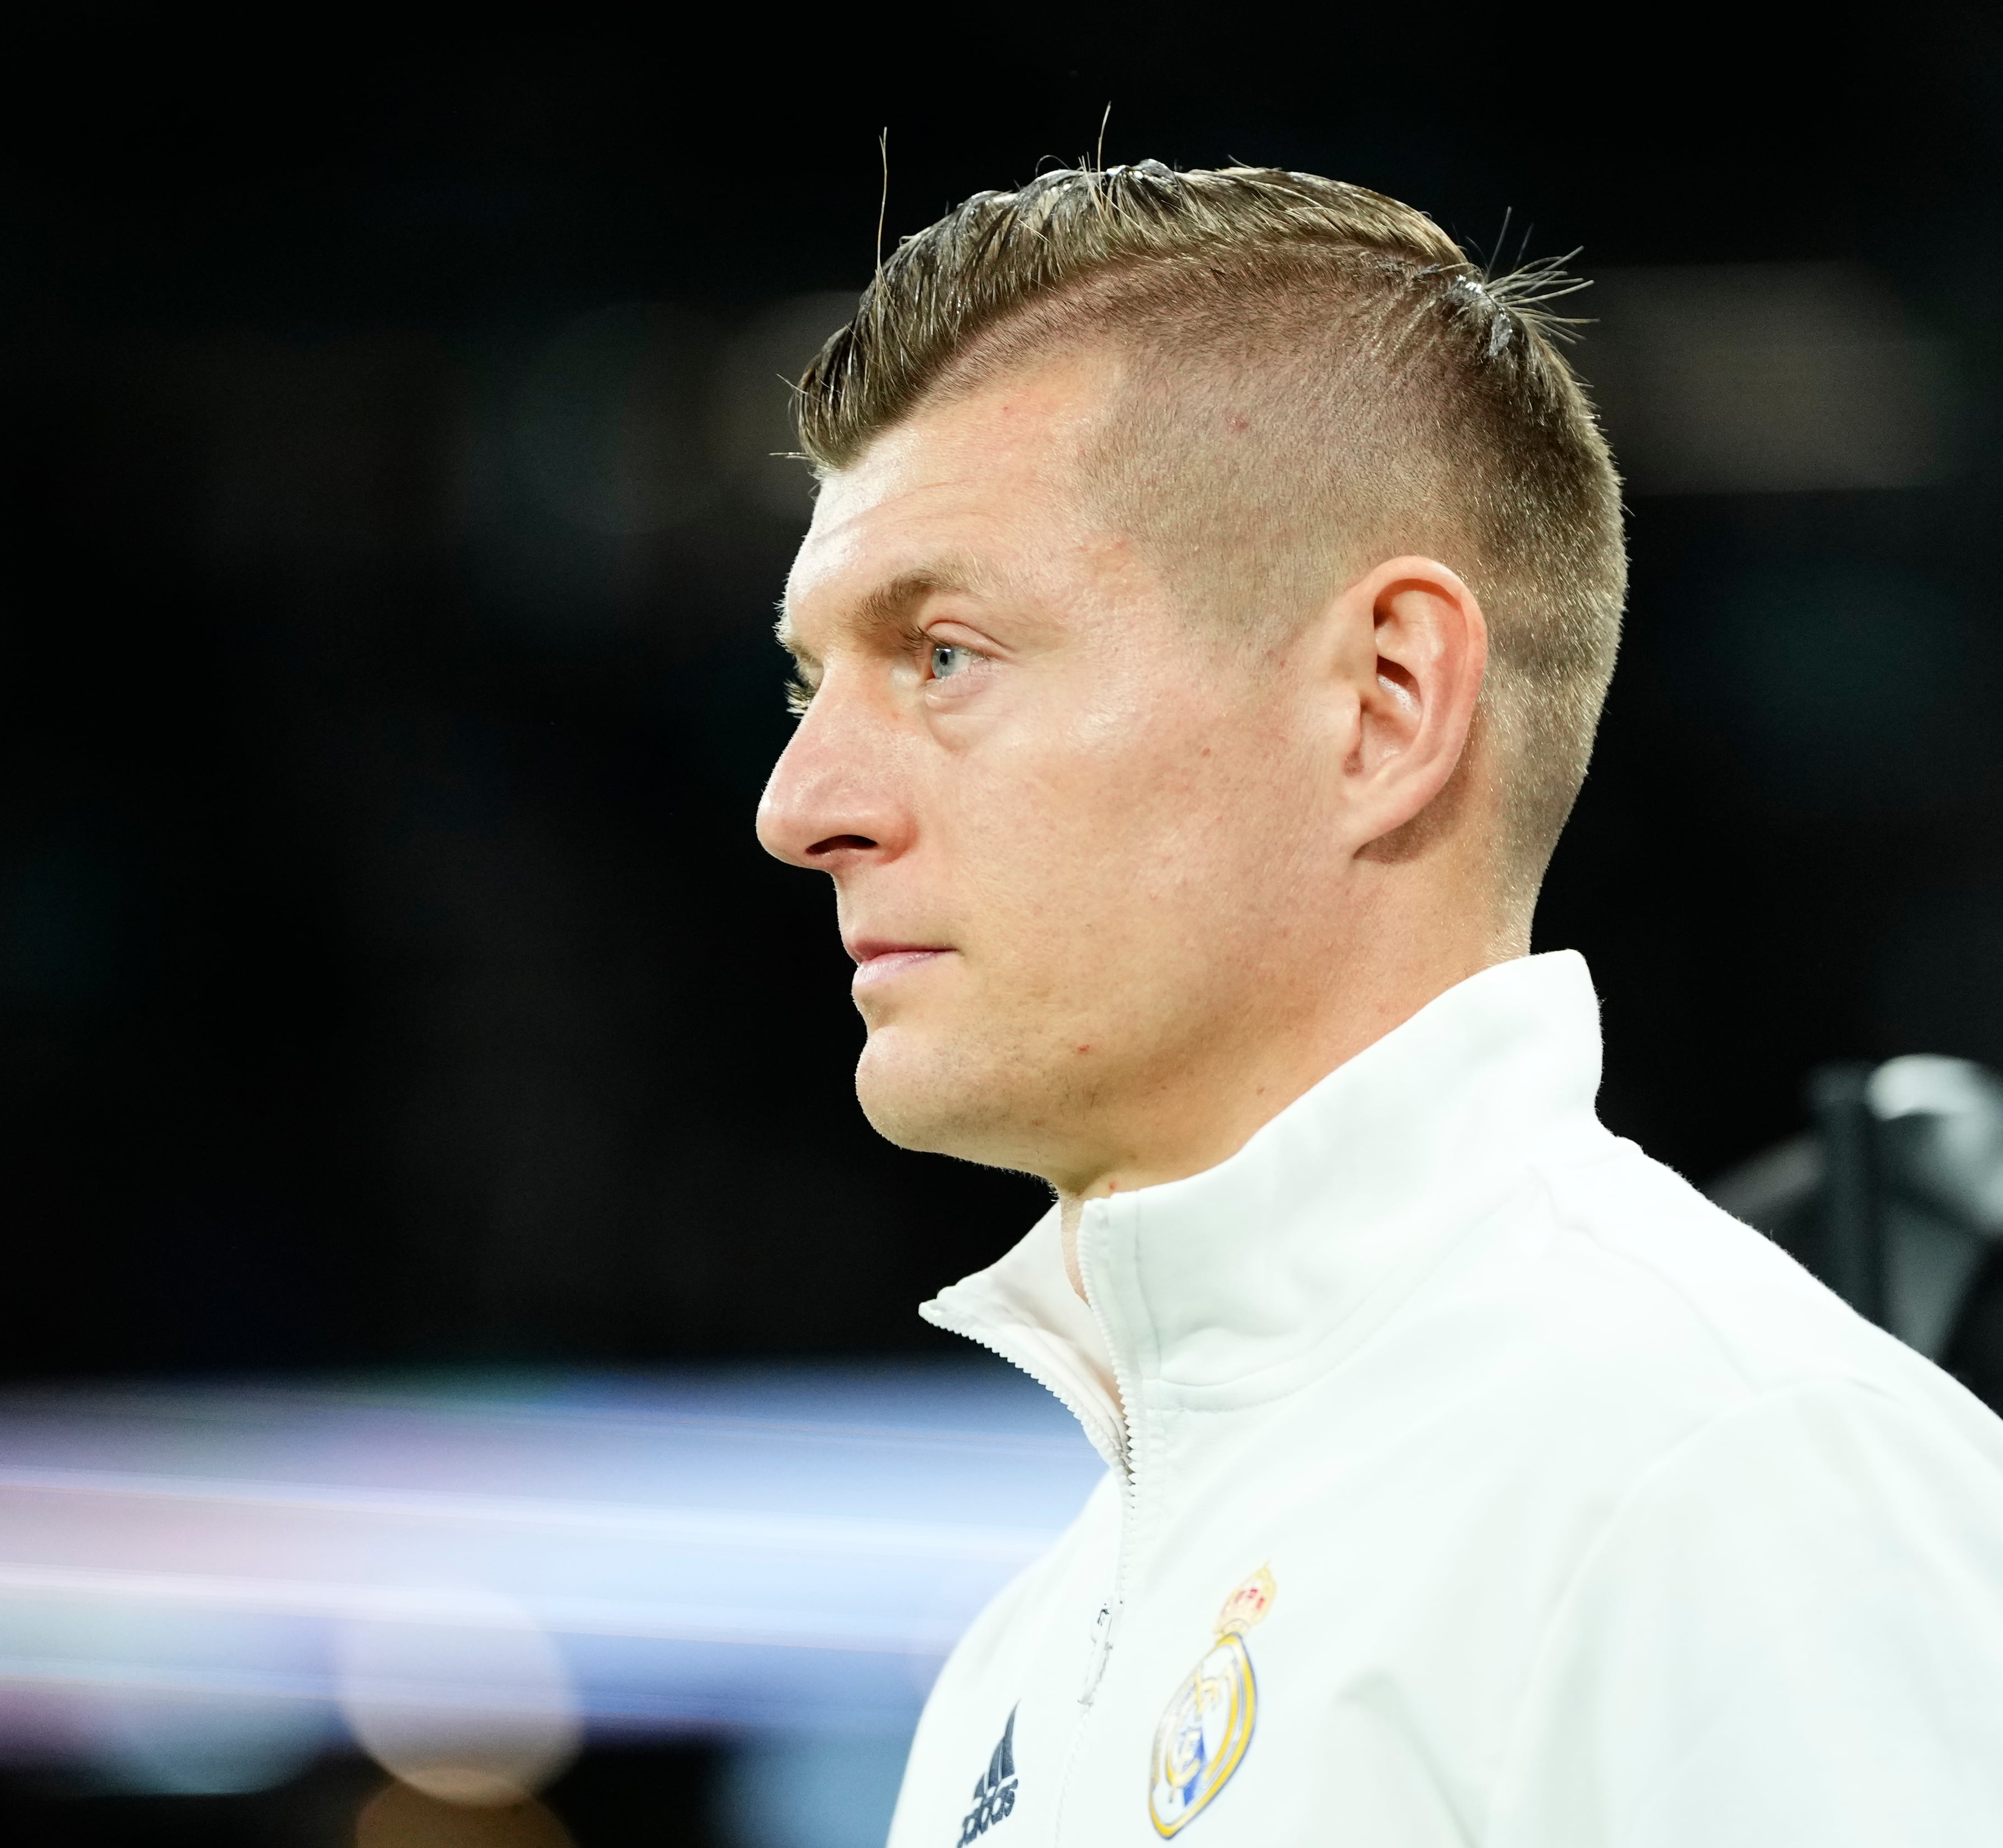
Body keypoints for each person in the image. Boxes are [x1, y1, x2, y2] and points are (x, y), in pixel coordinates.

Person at [754, 162, 2003, 1845]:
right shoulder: (1017, 1667)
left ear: (1387, 703)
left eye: (945, 654)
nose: (800, 800)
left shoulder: (1724, 1480)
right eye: (806, 681)